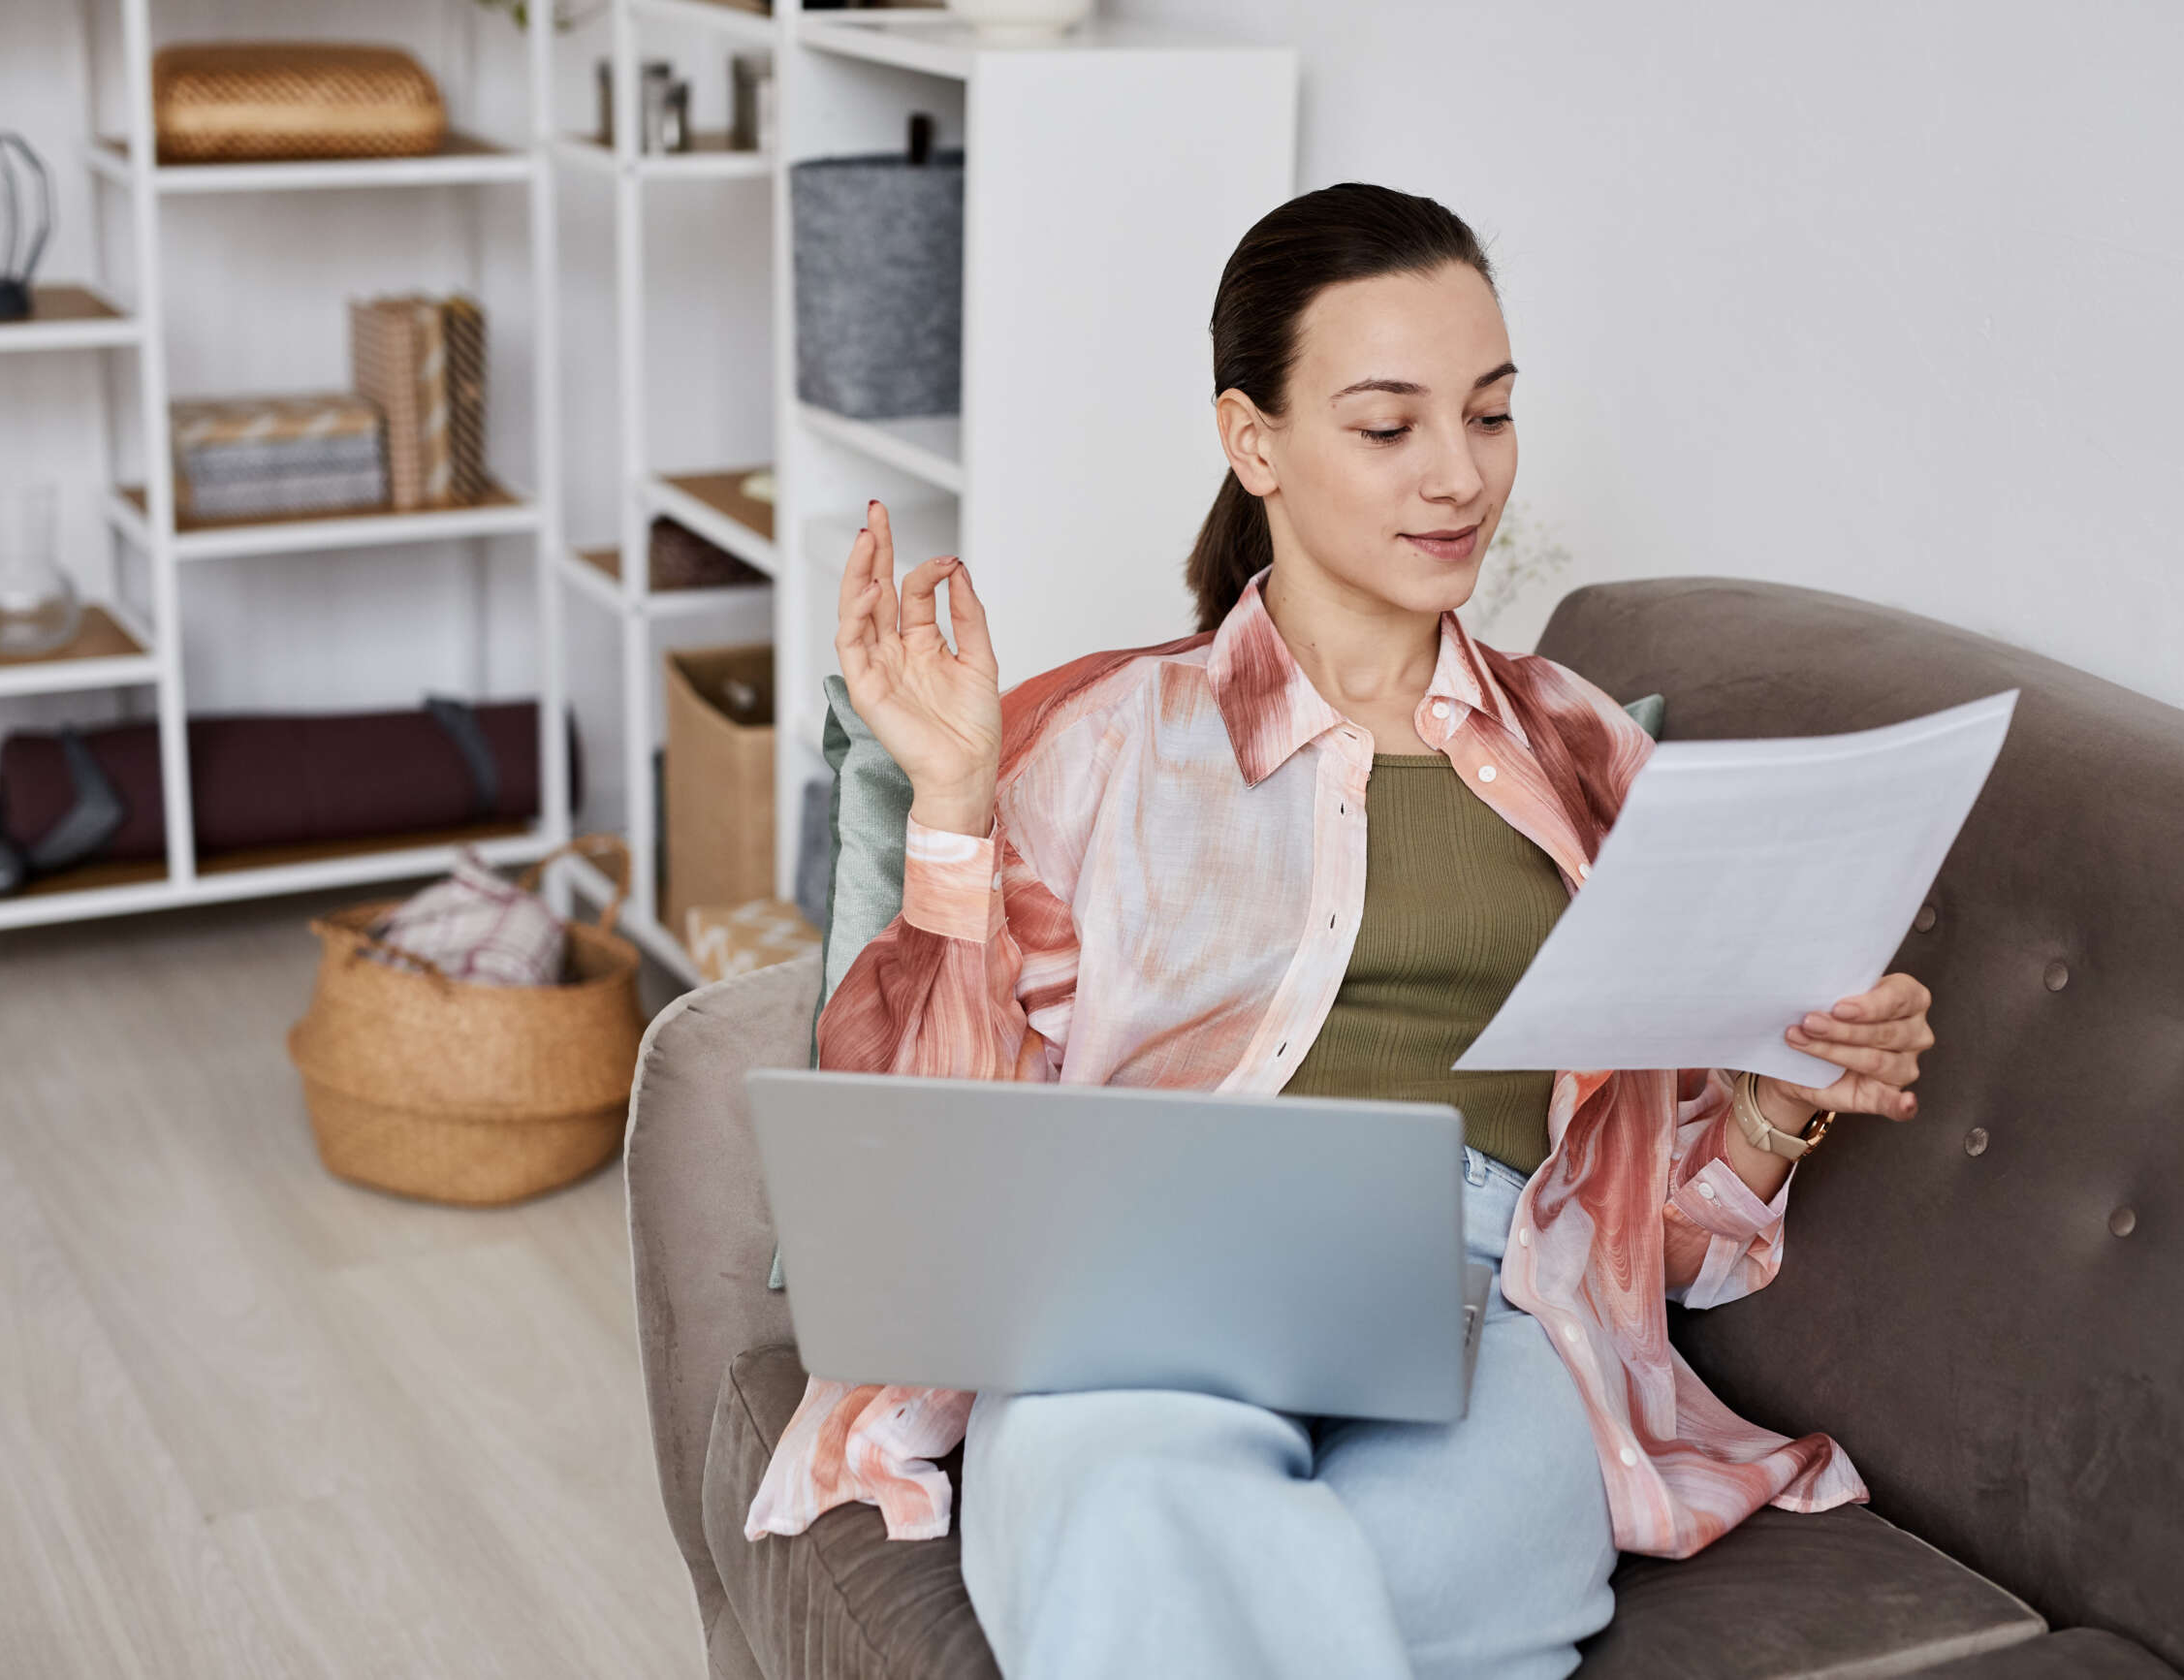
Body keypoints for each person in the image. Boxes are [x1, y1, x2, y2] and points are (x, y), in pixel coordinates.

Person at [744, 183, 1933, 1680]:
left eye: (1490, 417)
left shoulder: (1589, 763)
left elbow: (1669, 1246)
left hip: (1493, 1306)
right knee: (1126, 1511)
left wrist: (1774, 1100)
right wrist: (957, 808)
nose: (1458, 477)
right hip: (1152, 1293)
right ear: (1255, 442)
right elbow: (925, 1169)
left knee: (1423, 1557)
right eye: (1389, 427)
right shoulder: (1104, 739)